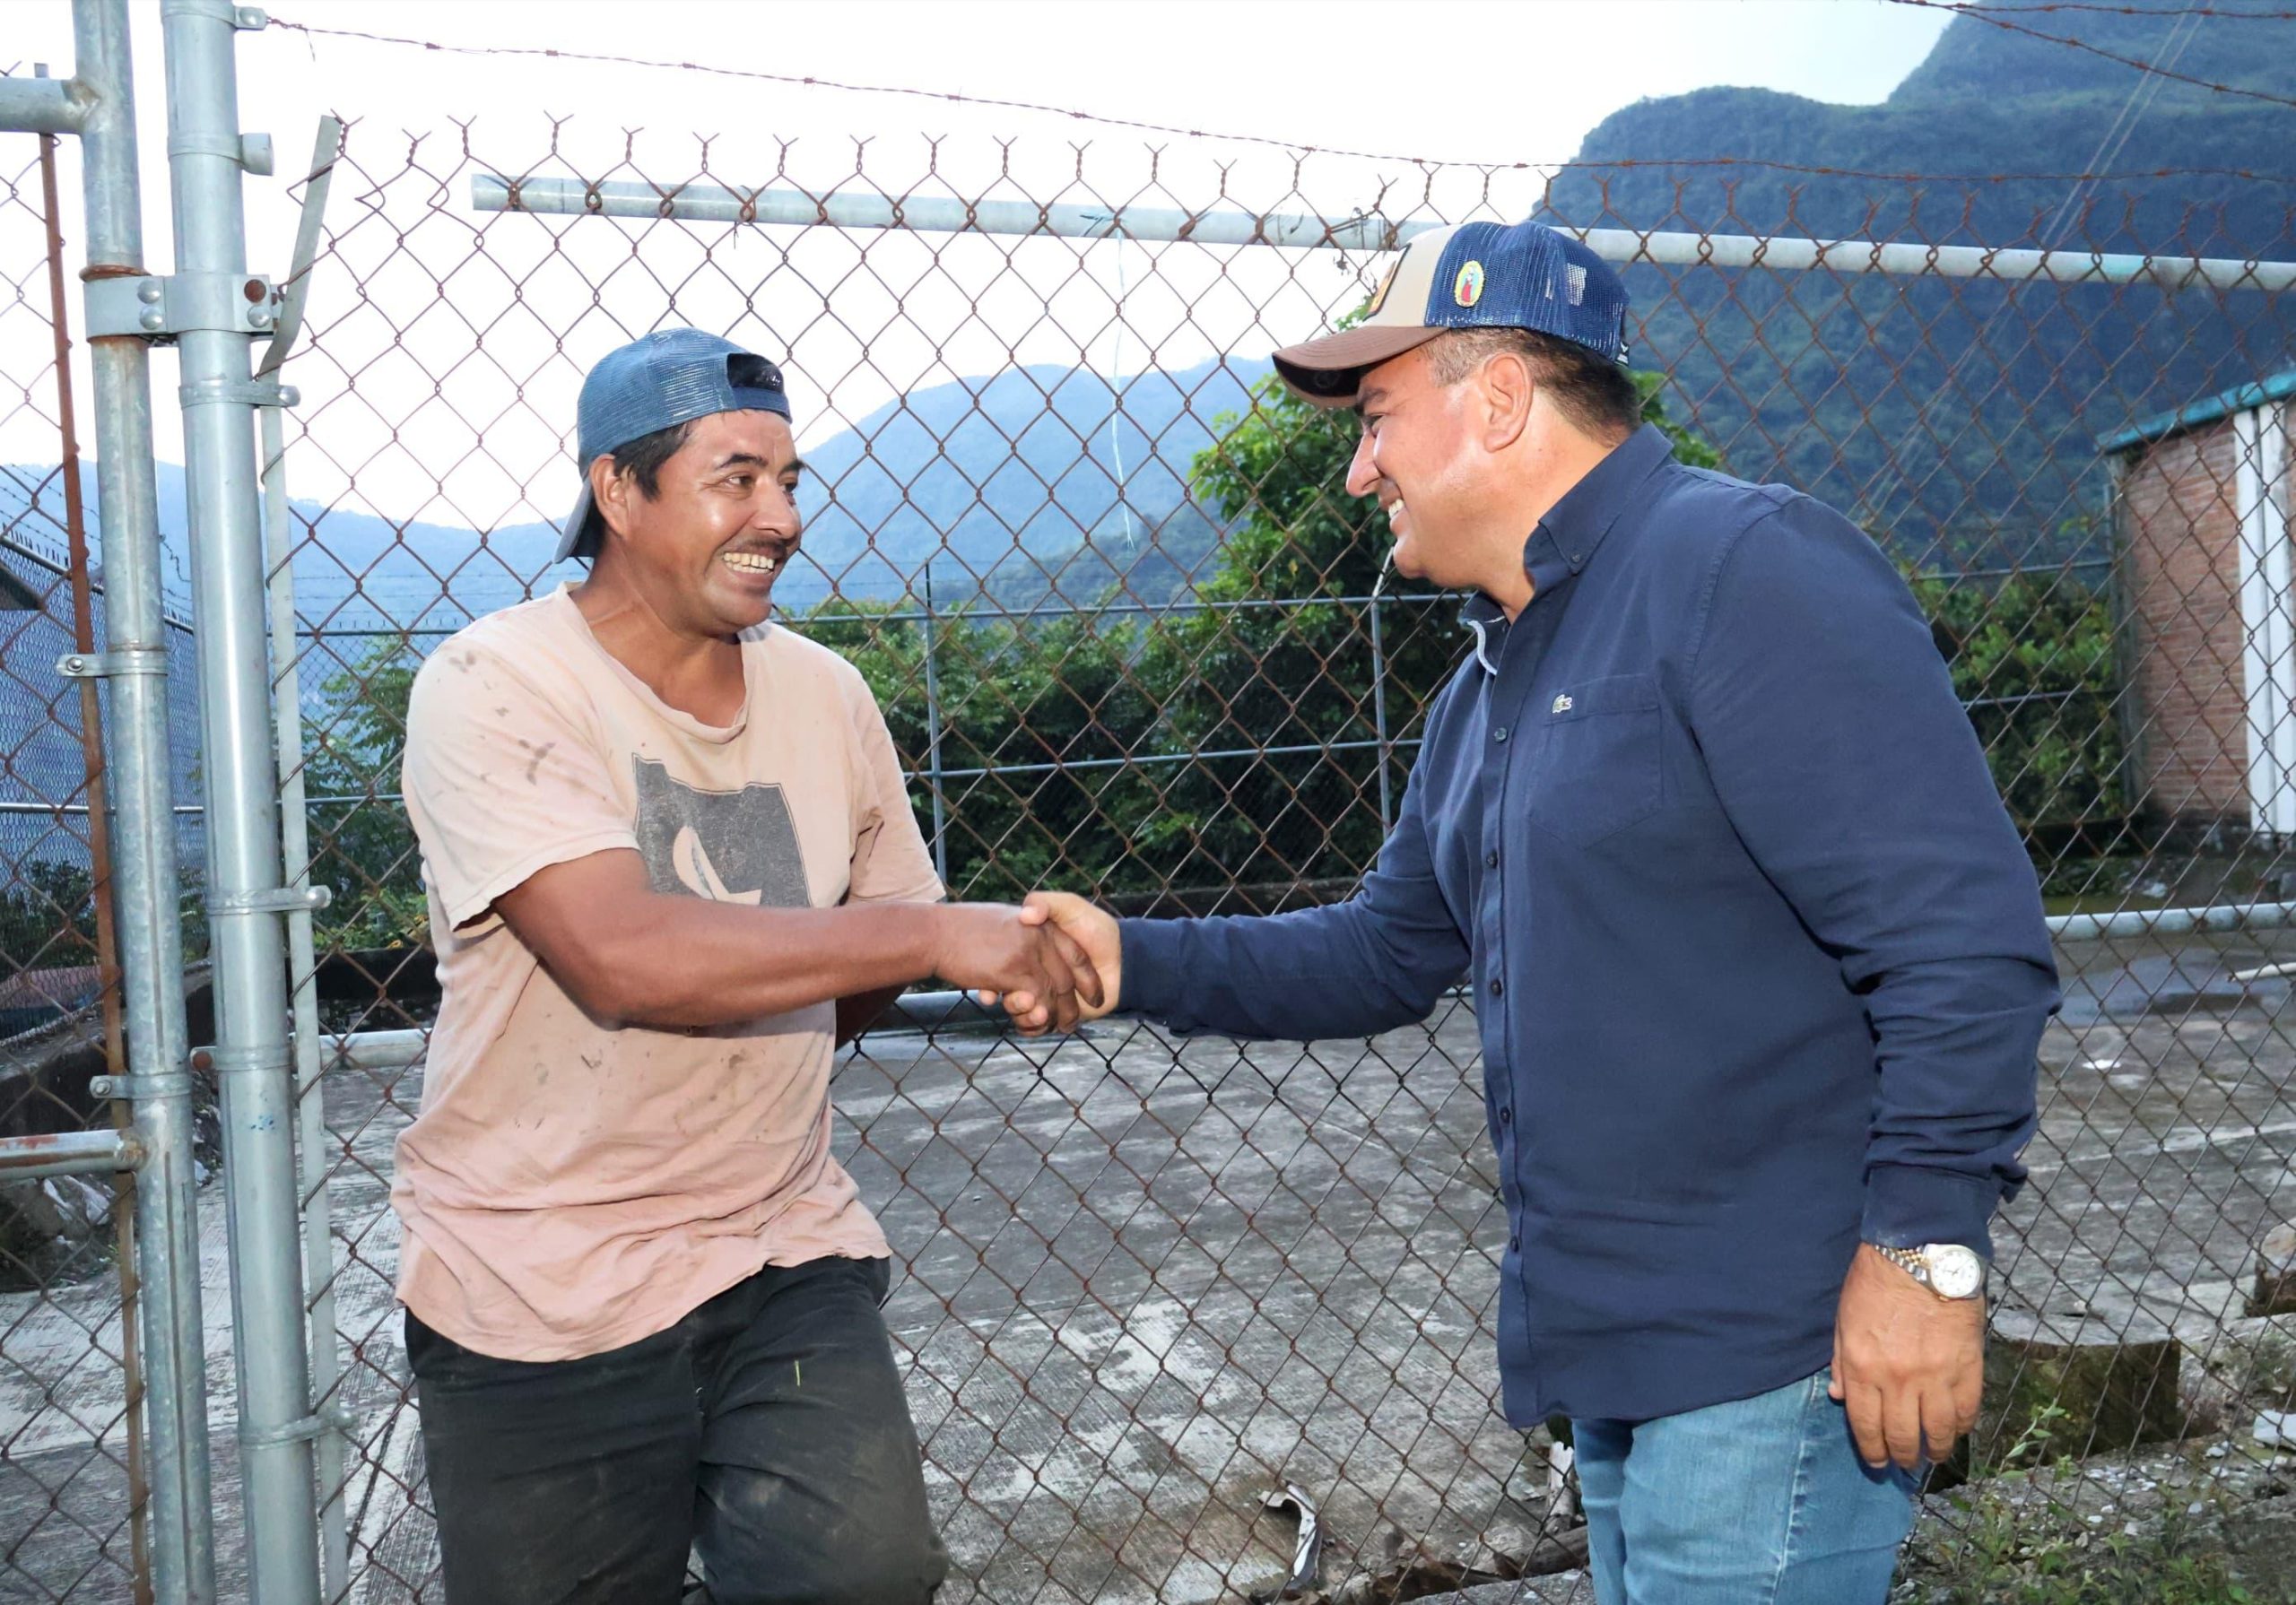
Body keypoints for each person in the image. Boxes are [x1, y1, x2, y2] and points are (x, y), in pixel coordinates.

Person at [1021, 221, 2056, 1604]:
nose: (1359, 469)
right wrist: (1129, 957)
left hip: (1773, 1357)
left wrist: (1924, 1253)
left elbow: (1962, 943)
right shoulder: (1489, 687)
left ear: (1500, 396)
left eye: (1377, 418)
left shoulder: (1742, 572)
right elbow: (1382, 948)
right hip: (1624, 1369)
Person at [391, 327, 1098, 1604]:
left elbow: (865, 951)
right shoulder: (496, 684)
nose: (780, 516)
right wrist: (942, 937)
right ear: (618, 491)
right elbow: (620, 956)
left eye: (788, 480)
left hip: (778, 1242)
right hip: (539, 1274)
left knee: (865, 1577)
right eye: (736, 479)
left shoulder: (826, 695)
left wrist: (865, 966)